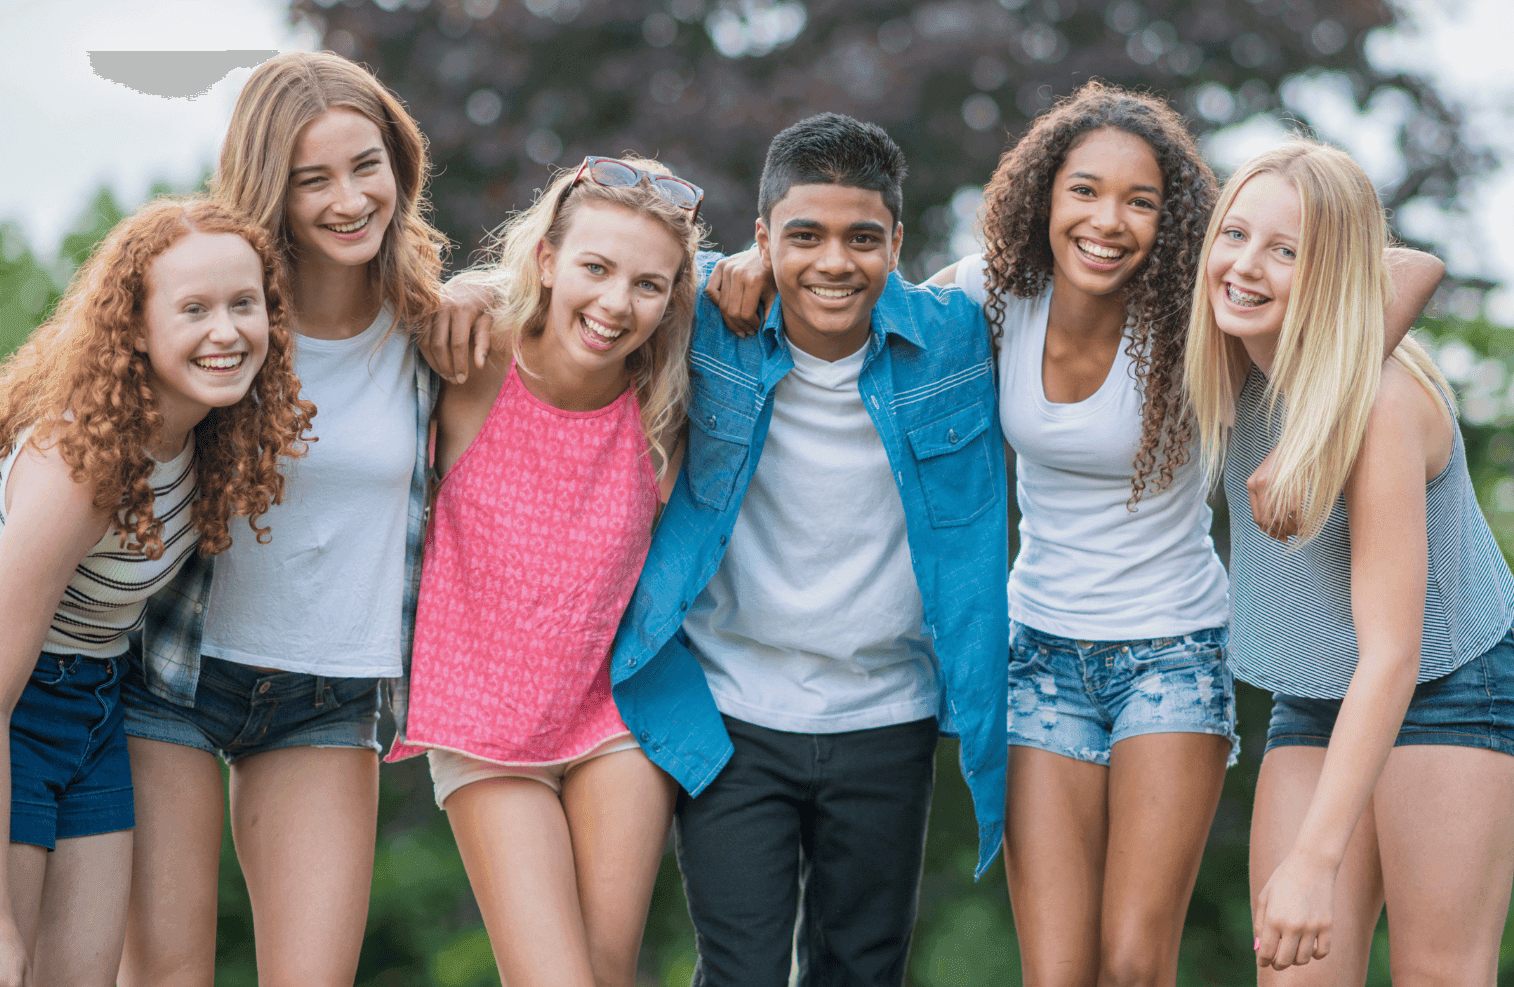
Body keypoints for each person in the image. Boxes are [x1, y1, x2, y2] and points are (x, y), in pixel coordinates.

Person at [612, 112, 1009, 987]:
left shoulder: (957, 337)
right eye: (805, 236)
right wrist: (718, 269)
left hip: (887, 715)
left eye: (863, 238)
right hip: (731, 711)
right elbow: (596, 269)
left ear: (898, 241)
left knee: (863, 970)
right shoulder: (705, 318)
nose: (835, 262)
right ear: (762, 237)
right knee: (741, 969)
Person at [118, 52, 446, 987]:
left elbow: (605, 286)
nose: (349, 198)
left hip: (326, 693)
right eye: (314, 179)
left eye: (366, 165)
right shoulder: (227, 318)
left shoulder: (435, 326)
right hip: (175, 674)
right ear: (272, 186)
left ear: (400, 164)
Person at [1185, 140, 1514, 985]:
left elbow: (1394, 651)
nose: (1245, 266)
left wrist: (1314, 859)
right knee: (1292, 970)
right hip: (1318, 685)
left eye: (1286, 250)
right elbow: (1406, 263)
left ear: (1332, 272)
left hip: (1448, 681)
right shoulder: (1230, 353)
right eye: (1235, 234)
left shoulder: (1380, 404)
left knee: (1438, 972)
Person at [385, 154, 701, 987]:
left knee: (605, 972)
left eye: (648, 284)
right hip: (485, 727)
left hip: (612, 720)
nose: (614, 304)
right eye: (596, 268)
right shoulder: (475, 360)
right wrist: (459, 291)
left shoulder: (666, 403)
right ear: (548, 259)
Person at [0, 196, 309, 987]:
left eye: (245, 305)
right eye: (195, 309)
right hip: (17, 708)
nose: (227, 331)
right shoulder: (84, 459)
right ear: (133, 326)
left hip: (96, 705)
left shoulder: (205, 436)